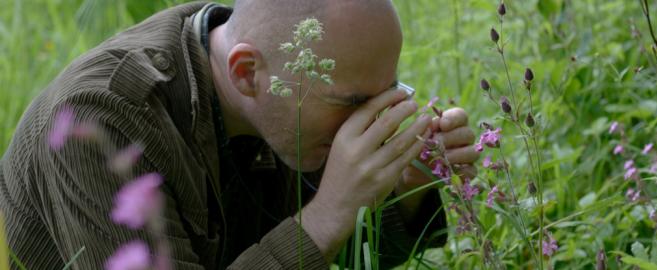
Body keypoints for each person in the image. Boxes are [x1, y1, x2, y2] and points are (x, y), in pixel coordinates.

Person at [0, 0, 479, 269]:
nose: (376, 121)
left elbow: (357, 259)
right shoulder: (103, 120)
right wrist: (327, 214)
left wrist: (408, 185)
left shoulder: (278, 95)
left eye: (390, 94)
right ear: (247, 72)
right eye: (355, 103)